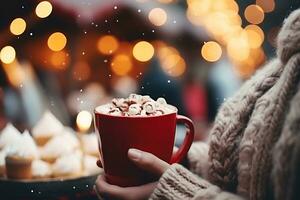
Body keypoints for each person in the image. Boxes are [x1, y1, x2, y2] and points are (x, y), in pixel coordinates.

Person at [94, 9, 300, 200]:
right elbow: (249, 160)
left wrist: (177, 190)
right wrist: (183, 161)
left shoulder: (216, 78)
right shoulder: (284, 62)